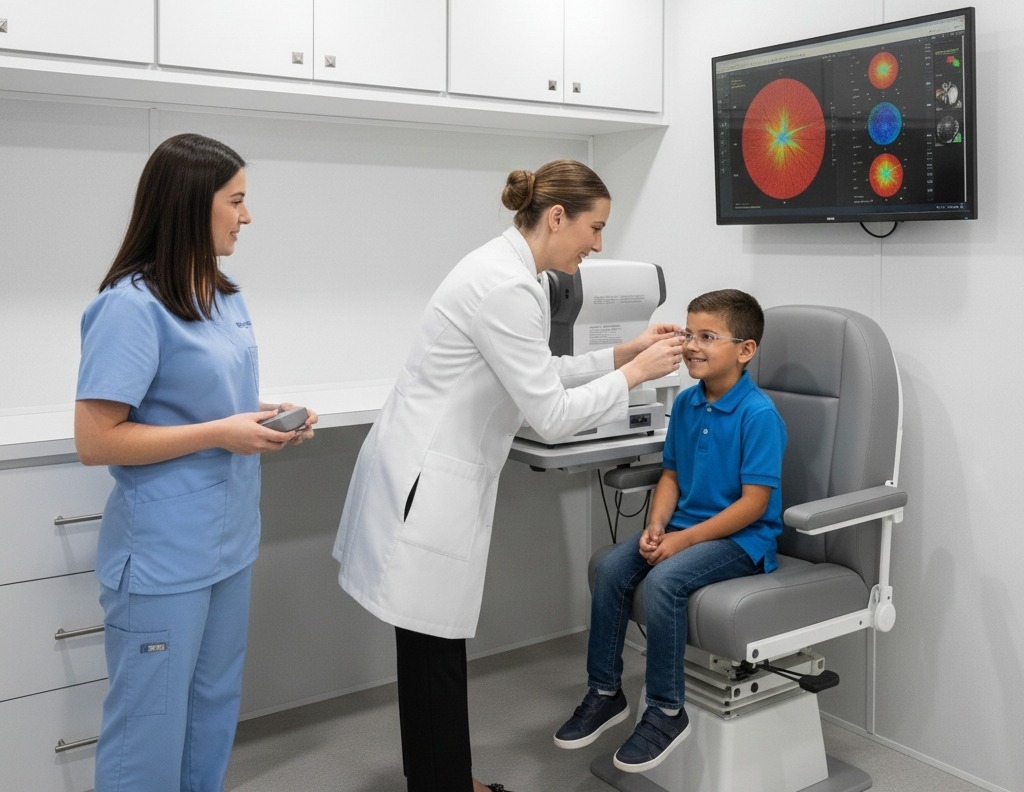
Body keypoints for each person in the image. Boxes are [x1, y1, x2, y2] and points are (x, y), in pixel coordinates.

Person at [333, 159, 685, 792]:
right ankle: (447, 785)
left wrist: (621, 353)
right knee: (434, 651)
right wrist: (635, 375)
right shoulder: (507, 287)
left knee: (429, 649)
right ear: (557, 217)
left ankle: (442, 781)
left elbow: (538, 371)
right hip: (427, 482)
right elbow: (550, 415)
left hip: (423, 468)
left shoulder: (511, 272)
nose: (597, 245)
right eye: (595, 228)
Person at [74, 132, 317, 792]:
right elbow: (97, 440)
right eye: (235, 201)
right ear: (190, 203)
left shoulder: (221, 294)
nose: (247, 216)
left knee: (211, 712)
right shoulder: (129, 307)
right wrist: (221, 433)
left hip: (228, 543)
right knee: (148, 729)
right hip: (162, 556)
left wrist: (264, 417)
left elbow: (206, 403)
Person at [554, 288, 787, 773]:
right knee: (611, 567)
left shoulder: (758, 414)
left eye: (708, 337)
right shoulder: (685, 404)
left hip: (742, 540)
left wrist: (683, 540)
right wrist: (658, 525)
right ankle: (605, 691)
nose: (692, 346)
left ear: (745, 350)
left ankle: (665, 710)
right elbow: (672, 477)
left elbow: (754, 504)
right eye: (689, 334)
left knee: (664, 582)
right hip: (683, 528)